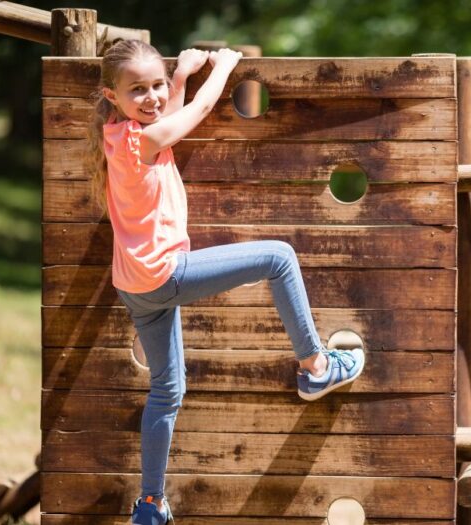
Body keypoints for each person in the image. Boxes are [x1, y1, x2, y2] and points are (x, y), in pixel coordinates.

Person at [87, 39, 365, 524]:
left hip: (133, 284)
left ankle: (150, 504)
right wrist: (224, 67)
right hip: (164, 274)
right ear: (112, 95)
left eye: (155, 85)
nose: (151, 97)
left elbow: (168, 117)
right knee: (279, 257)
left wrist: (177, 78)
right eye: (138, 90)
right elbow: (200, 108)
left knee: (166, 393)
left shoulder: (122, 132)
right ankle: (317, 367)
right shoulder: (145, 139)